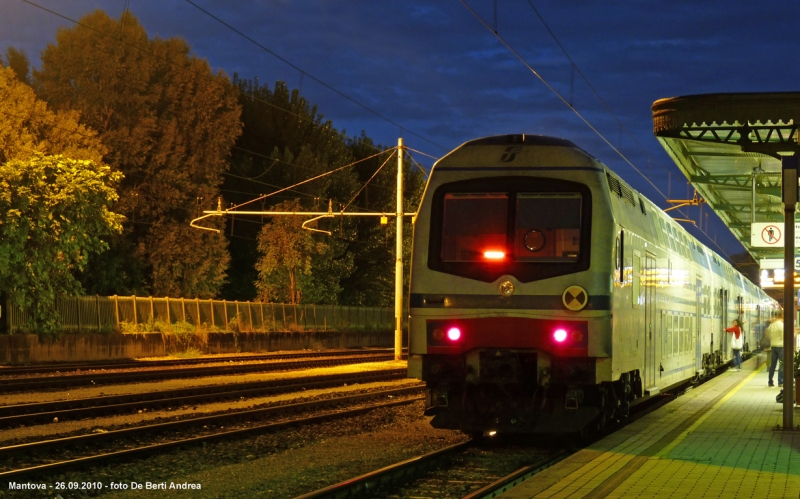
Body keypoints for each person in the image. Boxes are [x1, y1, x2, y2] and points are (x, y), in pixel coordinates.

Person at [766, 313, 784, 387]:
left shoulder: (771, 325)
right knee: (782, 364)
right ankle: (780, 381)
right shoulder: (781, 325)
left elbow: (768, 335)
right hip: (781, 346)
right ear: (782, 317)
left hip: (773, 346)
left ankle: (770, 381)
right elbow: (784, 336)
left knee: (773, 364)